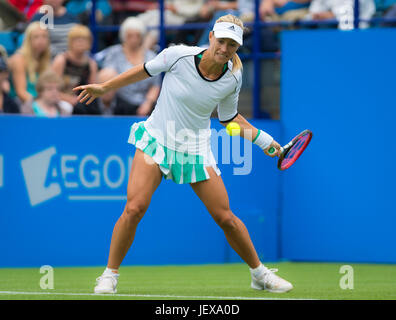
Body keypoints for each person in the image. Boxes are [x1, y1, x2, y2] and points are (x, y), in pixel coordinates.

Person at [74, 14, 293, 294]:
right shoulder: (178, 56)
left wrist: (264, 142)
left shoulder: (233, 77)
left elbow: (229, 119)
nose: (225, 49)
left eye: (232, 45)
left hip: (195, 149)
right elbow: (144, 70)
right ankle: (109, 275)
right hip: (157, 139)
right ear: (211, 37)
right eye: (222, 41)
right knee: (134, 208)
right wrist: (105, 87)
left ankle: (259, 274)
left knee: (225, 217)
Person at [100, 17, 160, 116]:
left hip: (144, 103)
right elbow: (106, 78)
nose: (134, 39)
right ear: (123, 36)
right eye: (130, 36)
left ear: (142, 37)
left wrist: (148, 103)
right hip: (119, 101)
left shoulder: (151, 56)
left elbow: (155, 85)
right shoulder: (113, 53)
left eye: (137, 36)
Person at [52, 24, 100, 115]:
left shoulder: (91, 64)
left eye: (84, 39)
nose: (81, 42)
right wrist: (69, 99)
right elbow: (51, 89)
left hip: (81, 101)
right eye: (77, 39)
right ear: (70, 42)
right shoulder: (61, 60)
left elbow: (93, 91)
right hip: (60, 100)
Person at [8, 21, 51, 103]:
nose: (41, 40)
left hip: (39, 101)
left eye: (44, 36)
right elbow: (21, 93)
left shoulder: (44, 60)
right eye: (36, 37)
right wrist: (40, 107)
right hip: (20, 103)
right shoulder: (19, 59)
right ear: (28, 39)